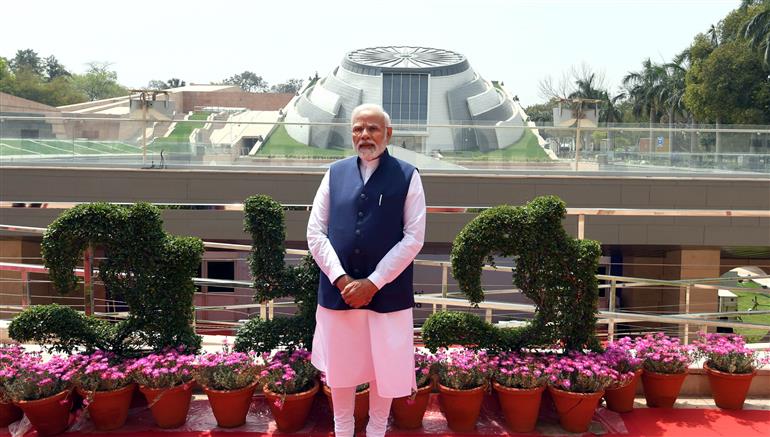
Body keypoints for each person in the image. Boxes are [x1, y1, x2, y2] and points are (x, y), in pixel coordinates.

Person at [307, 103, 426, 437]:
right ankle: (342, 430)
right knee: (341, 370)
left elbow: (414, 238)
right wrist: (342, 279)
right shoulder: (334, 173)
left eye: (372, 129)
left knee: (383, 368)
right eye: (358, 129)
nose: (364, 135)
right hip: (338, 293)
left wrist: (373, 283)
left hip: (387, 296)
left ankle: (376, 430)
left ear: (388, 134)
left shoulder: (408, 175)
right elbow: (315, 233)